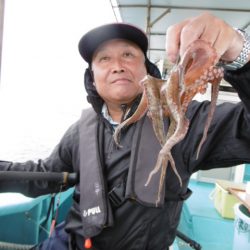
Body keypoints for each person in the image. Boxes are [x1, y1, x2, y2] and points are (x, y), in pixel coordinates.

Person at [1, 11, 250, 250]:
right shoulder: (81, 131)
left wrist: (240, 52)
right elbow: (44, 175)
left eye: (129, 55)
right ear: (92, 77)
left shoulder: (188, 121)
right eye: (104, 59)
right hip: (70, 240)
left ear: (147, 69)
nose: (118, 65)